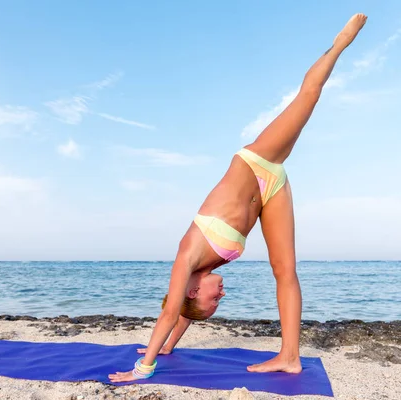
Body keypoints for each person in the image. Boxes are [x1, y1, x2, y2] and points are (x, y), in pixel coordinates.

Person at [109, 13, 368, 382]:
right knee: (285, 271)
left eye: (213, 300)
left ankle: (341, 41)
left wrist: (144, 366)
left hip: (256, 161)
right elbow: (182, 312)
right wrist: (169, 345)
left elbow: (169, 312)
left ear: (193, 289)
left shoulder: (187, 257)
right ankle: (290, 356)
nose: (222, 296)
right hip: (271, 190)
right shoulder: (202, 275)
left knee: (308, 97)